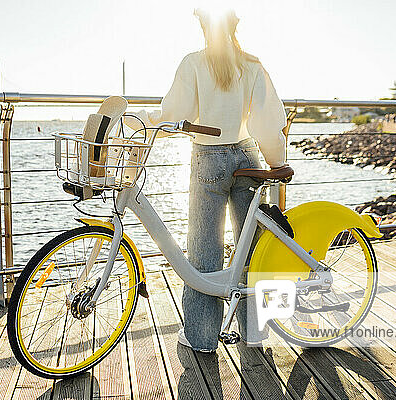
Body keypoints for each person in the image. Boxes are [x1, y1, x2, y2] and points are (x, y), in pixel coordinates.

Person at [127, 9, 287, 352]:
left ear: (203, 27)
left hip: (208, 158)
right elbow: (268, 120)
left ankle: (200, 337)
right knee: (252, 251)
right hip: (248, 159)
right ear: (234, 27)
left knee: (204, 251)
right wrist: (278, 164)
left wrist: (143, 119)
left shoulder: (194, 63)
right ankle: (255, 334)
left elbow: (174, 114)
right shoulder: (253, 65)